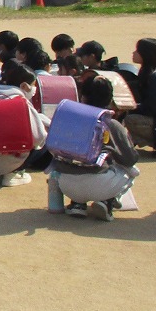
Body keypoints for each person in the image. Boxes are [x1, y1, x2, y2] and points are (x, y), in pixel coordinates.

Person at [48, 75, 139, 222]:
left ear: (83, 97)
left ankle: (77, 203)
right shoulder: (112, 124)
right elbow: (130, 159)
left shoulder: (70, 118)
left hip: (66, 184)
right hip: (100, 185)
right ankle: (107, 201)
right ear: (110, 100)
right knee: (132, 169)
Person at [0, 62, 49, 187]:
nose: (33, 89)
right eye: (32, 85)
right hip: (9, 161)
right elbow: (38, 137)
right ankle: (13, 174)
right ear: (24, 86)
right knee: (44, 144)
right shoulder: (21, 102)